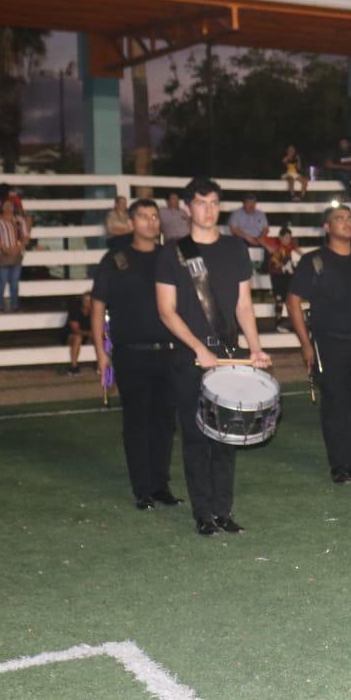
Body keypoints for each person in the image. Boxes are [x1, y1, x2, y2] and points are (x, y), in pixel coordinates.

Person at [156, 177, 273, 536]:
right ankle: (203, 513)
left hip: (229, 354)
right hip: (191, 357)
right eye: (202, 203)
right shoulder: (172, 253)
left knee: (227, 437)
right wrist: (198, 348)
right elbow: (167, 311)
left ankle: (223, 511)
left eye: (215, 203)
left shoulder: (235, 250)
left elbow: (243, 305)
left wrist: (254, 347)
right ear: (188, 208)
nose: (209, 210)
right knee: (195, 437)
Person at [90, 198, 180, 510]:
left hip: (169, 353)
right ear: (131, 223)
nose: (151, 222)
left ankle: (160, 485)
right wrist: (101, 352)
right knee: (137, 422)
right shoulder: (115, 260)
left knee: (165, 422)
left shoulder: (170, 257)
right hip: (131, 354)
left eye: (155, 217)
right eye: (143, 216)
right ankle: (142, 489)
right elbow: (98, 306)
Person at [287, 205, 351, 485]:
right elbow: (293, 303)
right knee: (335, 404)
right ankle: (338, 465)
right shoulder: (314, 261)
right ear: (327, 228)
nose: (346, 222)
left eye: (350, 218)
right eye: (339, 219)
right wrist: (305, 344)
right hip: (330, 344)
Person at [0, 197, 29, 312]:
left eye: (10, 205)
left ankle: (15, 305)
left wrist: (18, 247)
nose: (8, 207)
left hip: (17, 254)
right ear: (1, 207)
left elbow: (25, 236)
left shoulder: (19, 220)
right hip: (1, 254)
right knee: (2, 280)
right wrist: (3, 248)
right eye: (5, 205)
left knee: (14, 282)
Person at [262, 227, 301, 331]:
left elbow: (299, 252)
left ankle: (289, 323)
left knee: (289, 299)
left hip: (286, 276)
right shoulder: (276, 247)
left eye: (289, 237)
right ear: (281, 237)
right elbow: (274, 261)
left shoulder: (289, 246)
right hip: (277, 276)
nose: (288, 239)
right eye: (286, 237)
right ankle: (278, 323)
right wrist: (283, 266)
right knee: (279, 300)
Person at [64, 291, 93, 374]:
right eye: (86, 301)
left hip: (87, 335)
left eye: (90, 301)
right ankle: (73, 367)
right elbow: (75, 329)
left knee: (102, 337)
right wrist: (89, 334)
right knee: (78, 338)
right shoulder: (75, 309)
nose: (88, 303)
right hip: (70, 335)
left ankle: (100, 365)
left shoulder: (95, 311)